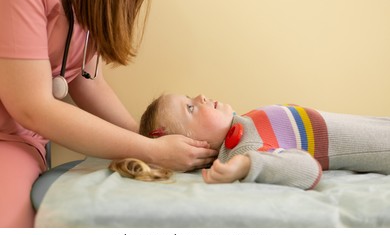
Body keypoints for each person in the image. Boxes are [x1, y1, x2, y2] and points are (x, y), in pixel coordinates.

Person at [0, 0, 217, 228]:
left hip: (20, 140)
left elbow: (87, 80)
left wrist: (144, 139)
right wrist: (151, 149)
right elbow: (31, 106)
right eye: (190, 104)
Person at [109, 93, 390, 189]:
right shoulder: (240, 150)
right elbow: (308, 171)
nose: (202, 97)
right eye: (191, 108)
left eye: (190, 97)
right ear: (189, 144)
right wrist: (246, 166)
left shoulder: (240, 127)